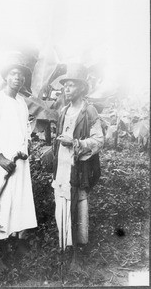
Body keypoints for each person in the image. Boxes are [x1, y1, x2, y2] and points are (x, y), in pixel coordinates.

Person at [0, 52, 37, 261]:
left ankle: (18, 241)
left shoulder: (22, 102)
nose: (18, 78)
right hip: (0, 162)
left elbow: (25, 129)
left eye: (21, 75)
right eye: (14, 74)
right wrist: (0, 157)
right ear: (6, 76)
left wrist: (25, 148)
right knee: (0, 200)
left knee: (20, 199)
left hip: (20, 161)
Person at [52, 63, 104, 270]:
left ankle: (77, 255)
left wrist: (75, 143)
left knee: (77, 207)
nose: (67, 89)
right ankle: (65, 249)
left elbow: (99, 140)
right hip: (62, 167)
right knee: (63, 206)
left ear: (81, 88)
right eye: (65, 86)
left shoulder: (89, 111)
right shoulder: (64, 111)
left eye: (71, 86)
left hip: (79, 167)